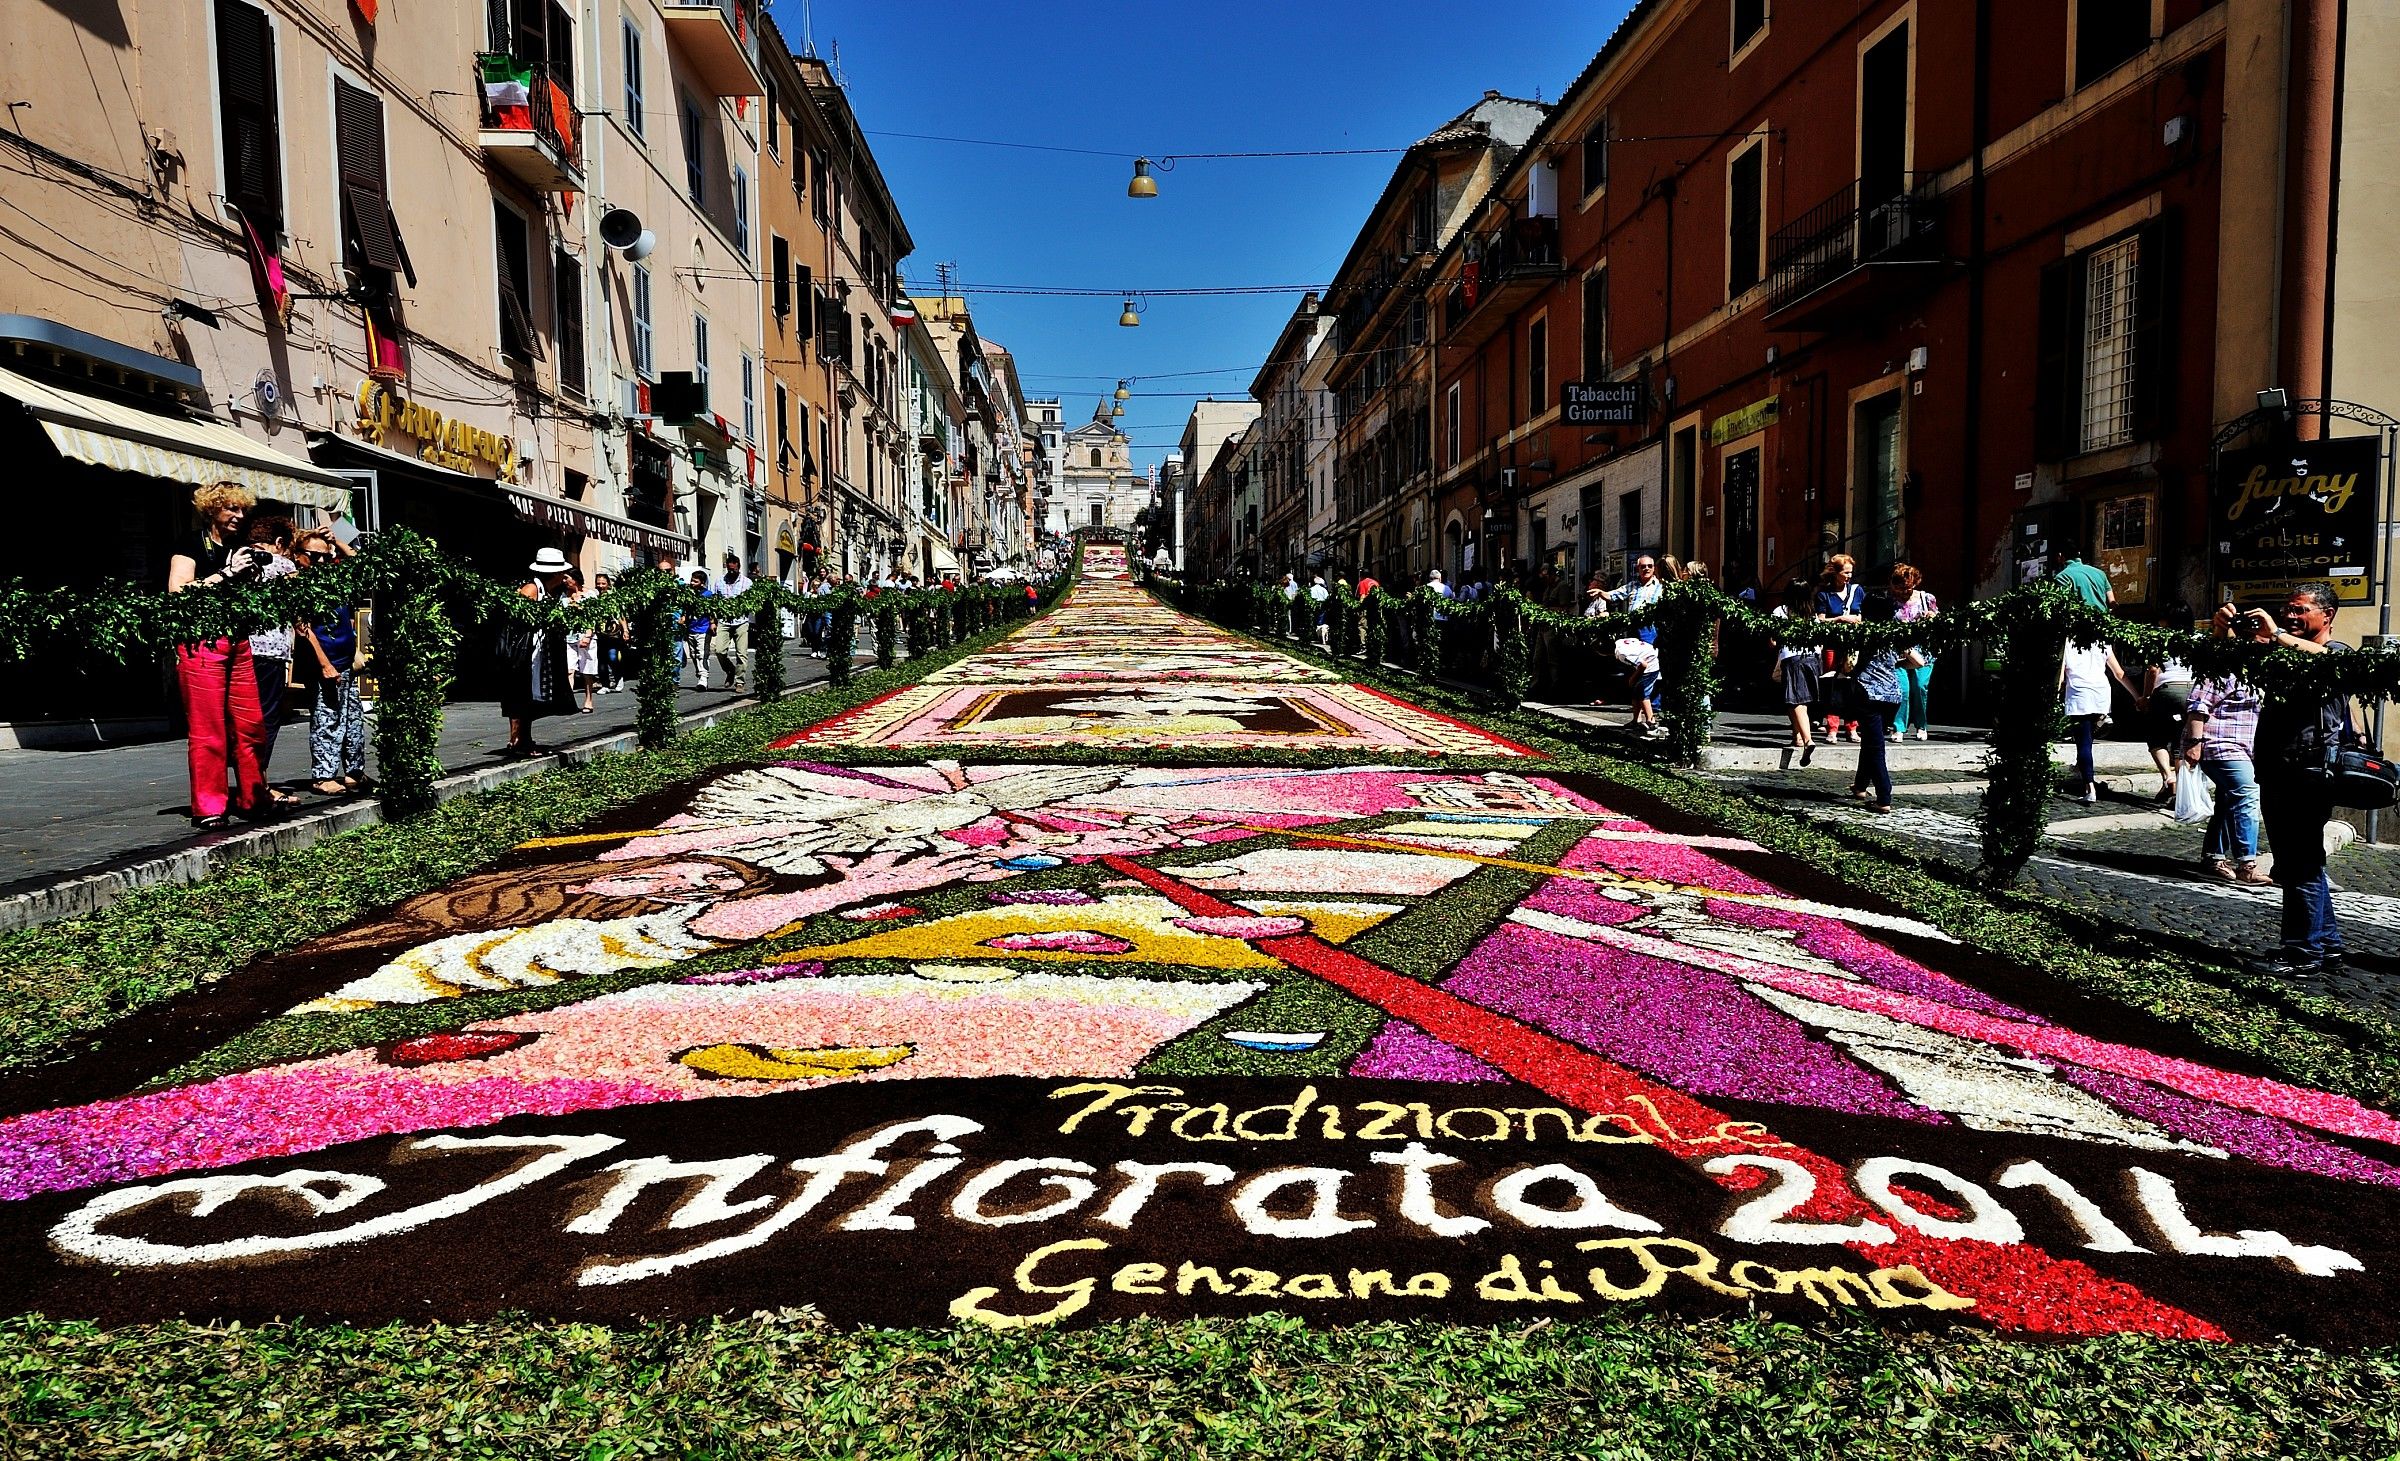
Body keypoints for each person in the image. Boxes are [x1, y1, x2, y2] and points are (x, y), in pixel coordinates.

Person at [2240, 586, 2350, 977]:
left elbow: (2328, 664)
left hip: (2308, 772)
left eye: (2299, 610)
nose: (2289, 616)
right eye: (2286, 610)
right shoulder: (2284, 655)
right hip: (2280, 769)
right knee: (2304, 862)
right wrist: (2227, 633)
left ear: (2327, 615)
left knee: (2299, 863)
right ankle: (2327, 946)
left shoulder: (2337, 654)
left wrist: (2278, 636)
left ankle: (2302, 953)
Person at [167, 482, 271, 827]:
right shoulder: (190, 543)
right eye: (231, 509)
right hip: (200, 643)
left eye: (243, 510)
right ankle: (209, 806)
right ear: (212, 509)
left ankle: (253, 796)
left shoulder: (238, 548)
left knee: (251, 724)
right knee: (208, 728)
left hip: (238, 641)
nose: (239, 517)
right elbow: (178, 592)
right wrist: (226, 574)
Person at [293, 525, 368, 796]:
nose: (321, 561)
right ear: (298, 554)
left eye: (325, 555)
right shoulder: (297, 582)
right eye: (314, 556)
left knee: (353, 719)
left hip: (345, 658)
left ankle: (354, 772)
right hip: (325, 661)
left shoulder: (332, 577)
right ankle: (323, 775)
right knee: (328, 719)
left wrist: (335, 540)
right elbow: (303, 628)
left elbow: (360, 566)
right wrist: (324, 664)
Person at [2183, 667, 2266, 885]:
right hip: (2219, 745)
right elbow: (2197, 707)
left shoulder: (2263, 672)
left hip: (2246, 749)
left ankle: (2213, 857)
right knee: (2247, 793)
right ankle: (2247, 864)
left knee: (2227, 800)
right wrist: (2194, 743)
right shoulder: (2221, 671)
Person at [501, 548, 576, 758]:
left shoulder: (549, 592)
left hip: (540, 654)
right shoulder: (531, 590)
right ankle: (518, 740)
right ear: (554, 574)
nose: (565, 576)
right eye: (563, 573)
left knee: (532, 697)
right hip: (527, 654)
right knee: (524, 695)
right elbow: (519, 620)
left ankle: (524, 738)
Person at [2129, 607, 2196, 803]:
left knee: (2156, 735)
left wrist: (2146, 697)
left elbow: (2152, 670)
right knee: (2181, 739)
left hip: (2168, 689)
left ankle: (2169, 779)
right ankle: (2181, 790)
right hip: (2192, 690)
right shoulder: (2198, 638)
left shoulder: (2160, 638)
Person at [2058, 633, 2131, 804]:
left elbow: (2061, 676)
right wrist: (2137, 696)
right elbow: (2119, 673)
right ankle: (2080, 766)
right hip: (2101, 694)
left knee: (2082, 741)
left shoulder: (2067, 642)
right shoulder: (2102, 641)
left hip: (2079, 695)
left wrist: (2054, 695)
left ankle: (2089, 787)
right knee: (2087, 739)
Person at [1848, 591, 1904, 814]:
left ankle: (1884, 796)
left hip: (1869, 692)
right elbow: (1912, 659)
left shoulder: (1865, 633)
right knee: (1871, 741)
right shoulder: (1896, 633)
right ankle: (1860, 786)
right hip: (1893, 694)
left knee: (1875, 747)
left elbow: (1849, 661)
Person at [1605, 554, 1666, 737]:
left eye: (1649, 566)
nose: (1646, 569)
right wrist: (1601, 593)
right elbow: (1614, 595)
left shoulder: (1661, 588)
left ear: (1654, 568)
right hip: (1634, 632)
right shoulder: (1632, 585)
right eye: (1642, 566)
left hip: (1651, 632)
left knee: (1648, 673)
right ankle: (1636, 719)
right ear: (1637, 569)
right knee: (1634, 674)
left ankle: (1651, 717)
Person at [1814, 554, 1865, 741]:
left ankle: (1852, 727)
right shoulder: (1824, 594)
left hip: (1852, 645)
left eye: (1851, 573)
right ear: (1835, 573)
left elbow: (1863, 616)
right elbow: (1820, 620)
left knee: (1852, 685)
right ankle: (1832, 727)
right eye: (1845, 573)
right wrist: (1840, 619)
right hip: (1831, 644)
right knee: (1832, 685)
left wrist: (1856, 621)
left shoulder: (1858, 591)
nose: (1849, 576)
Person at [1771, 579, 1820, 765]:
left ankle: (1808, 740)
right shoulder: (1812, 613)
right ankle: (1797, 736)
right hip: (1812, 658)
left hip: (1791, 658)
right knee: (1798, 699)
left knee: (1796, 700)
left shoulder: (1780, 612)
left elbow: (1773, 640)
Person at [1889, 563, 1939, 741]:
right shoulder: (1890, 600)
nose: (1903, 591)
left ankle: (1921, 725)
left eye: (1907, 587)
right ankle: (1898, 728)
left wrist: (1931, 619)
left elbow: (1938, 622)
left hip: (1923, 650)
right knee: (1902, 689)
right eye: (1899, 587)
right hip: (1899, 650)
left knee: (1919, 687)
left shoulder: (1926, 598)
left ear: (1915, 583)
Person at [715, 553, 754, 692]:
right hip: (724, 621)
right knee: (719, 650)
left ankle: (739, 682)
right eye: (729, 569)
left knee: (741, 653)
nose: (731, 572)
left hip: (741, 621)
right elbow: (714, 602)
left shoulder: (747, 583)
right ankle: (730, 670)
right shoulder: (719, 581)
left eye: (734, 570)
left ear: (739, 567)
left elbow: (752, 602)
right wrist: (713, 621)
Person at [568, 572, 603, 713]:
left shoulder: (590, 595)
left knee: (587, 671)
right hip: (569, 637)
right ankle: (569, 702)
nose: (564, 581)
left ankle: (588, 700)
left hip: (585, 636)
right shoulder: (564, 596)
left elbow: (594, 616)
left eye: (567, 578)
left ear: (575, 579)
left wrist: (588, 635)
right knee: (569, 669)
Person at [2046, 540, 2116, 609]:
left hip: (2081, 619)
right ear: (2079, 553)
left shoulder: (2062, 577)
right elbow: (2112, 602)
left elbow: (2063, 606)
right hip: (2102, 619)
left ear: (2060, 555)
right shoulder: (2100, 573)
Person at [594, 572, 625, 693]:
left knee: (612, 657)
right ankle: (605, 685)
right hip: (599, 634)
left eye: (603, 583)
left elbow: (620, 615)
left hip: (612, 634)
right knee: (601, 660)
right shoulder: (594, 598)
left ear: (608, 584)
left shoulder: (614, 597)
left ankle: (619, 677)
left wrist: (625, 630)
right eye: (598, 583)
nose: (601, 586)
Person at [683, 570, 715, 689]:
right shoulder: (688, 594)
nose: (692, 583)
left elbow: (712, 610)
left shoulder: (708, 595)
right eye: (692, 580)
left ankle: (703, 679)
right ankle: (700, 673)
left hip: (703, 628)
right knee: (693, 654)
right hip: (691, 628)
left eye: (695, 581)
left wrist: (712, 623)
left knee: (702, 654)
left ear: (702, 583)